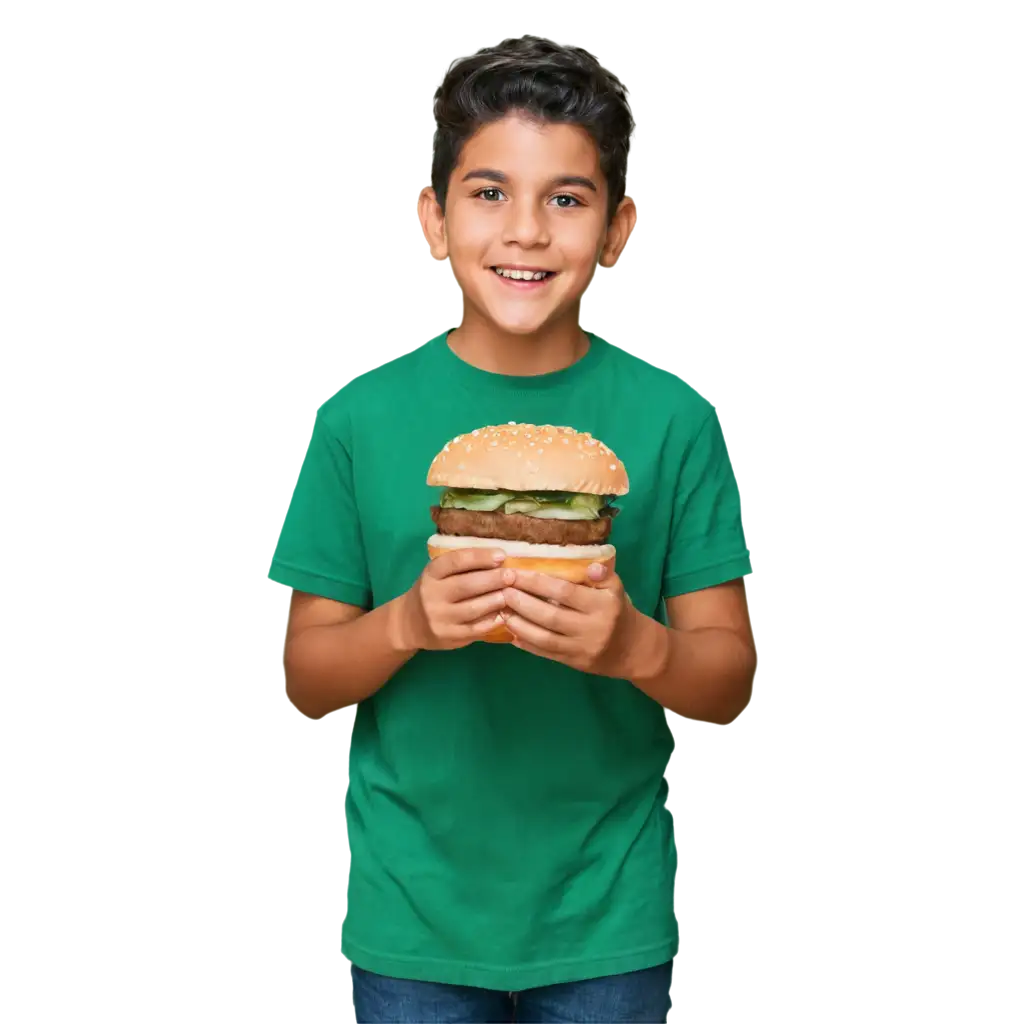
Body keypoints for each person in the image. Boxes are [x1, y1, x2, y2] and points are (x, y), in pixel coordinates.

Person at [265, 35, 754, 1024]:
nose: (525, 231)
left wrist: (632, 644)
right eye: (488, 192)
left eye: (565, 200)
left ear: (617, 229)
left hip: (604, 916)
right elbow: (305, 680)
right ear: (429, 219)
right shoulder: (355, 419)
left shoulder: (671, 418)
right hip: (413, 920)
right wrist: (405, 623)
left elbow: (726, 675)